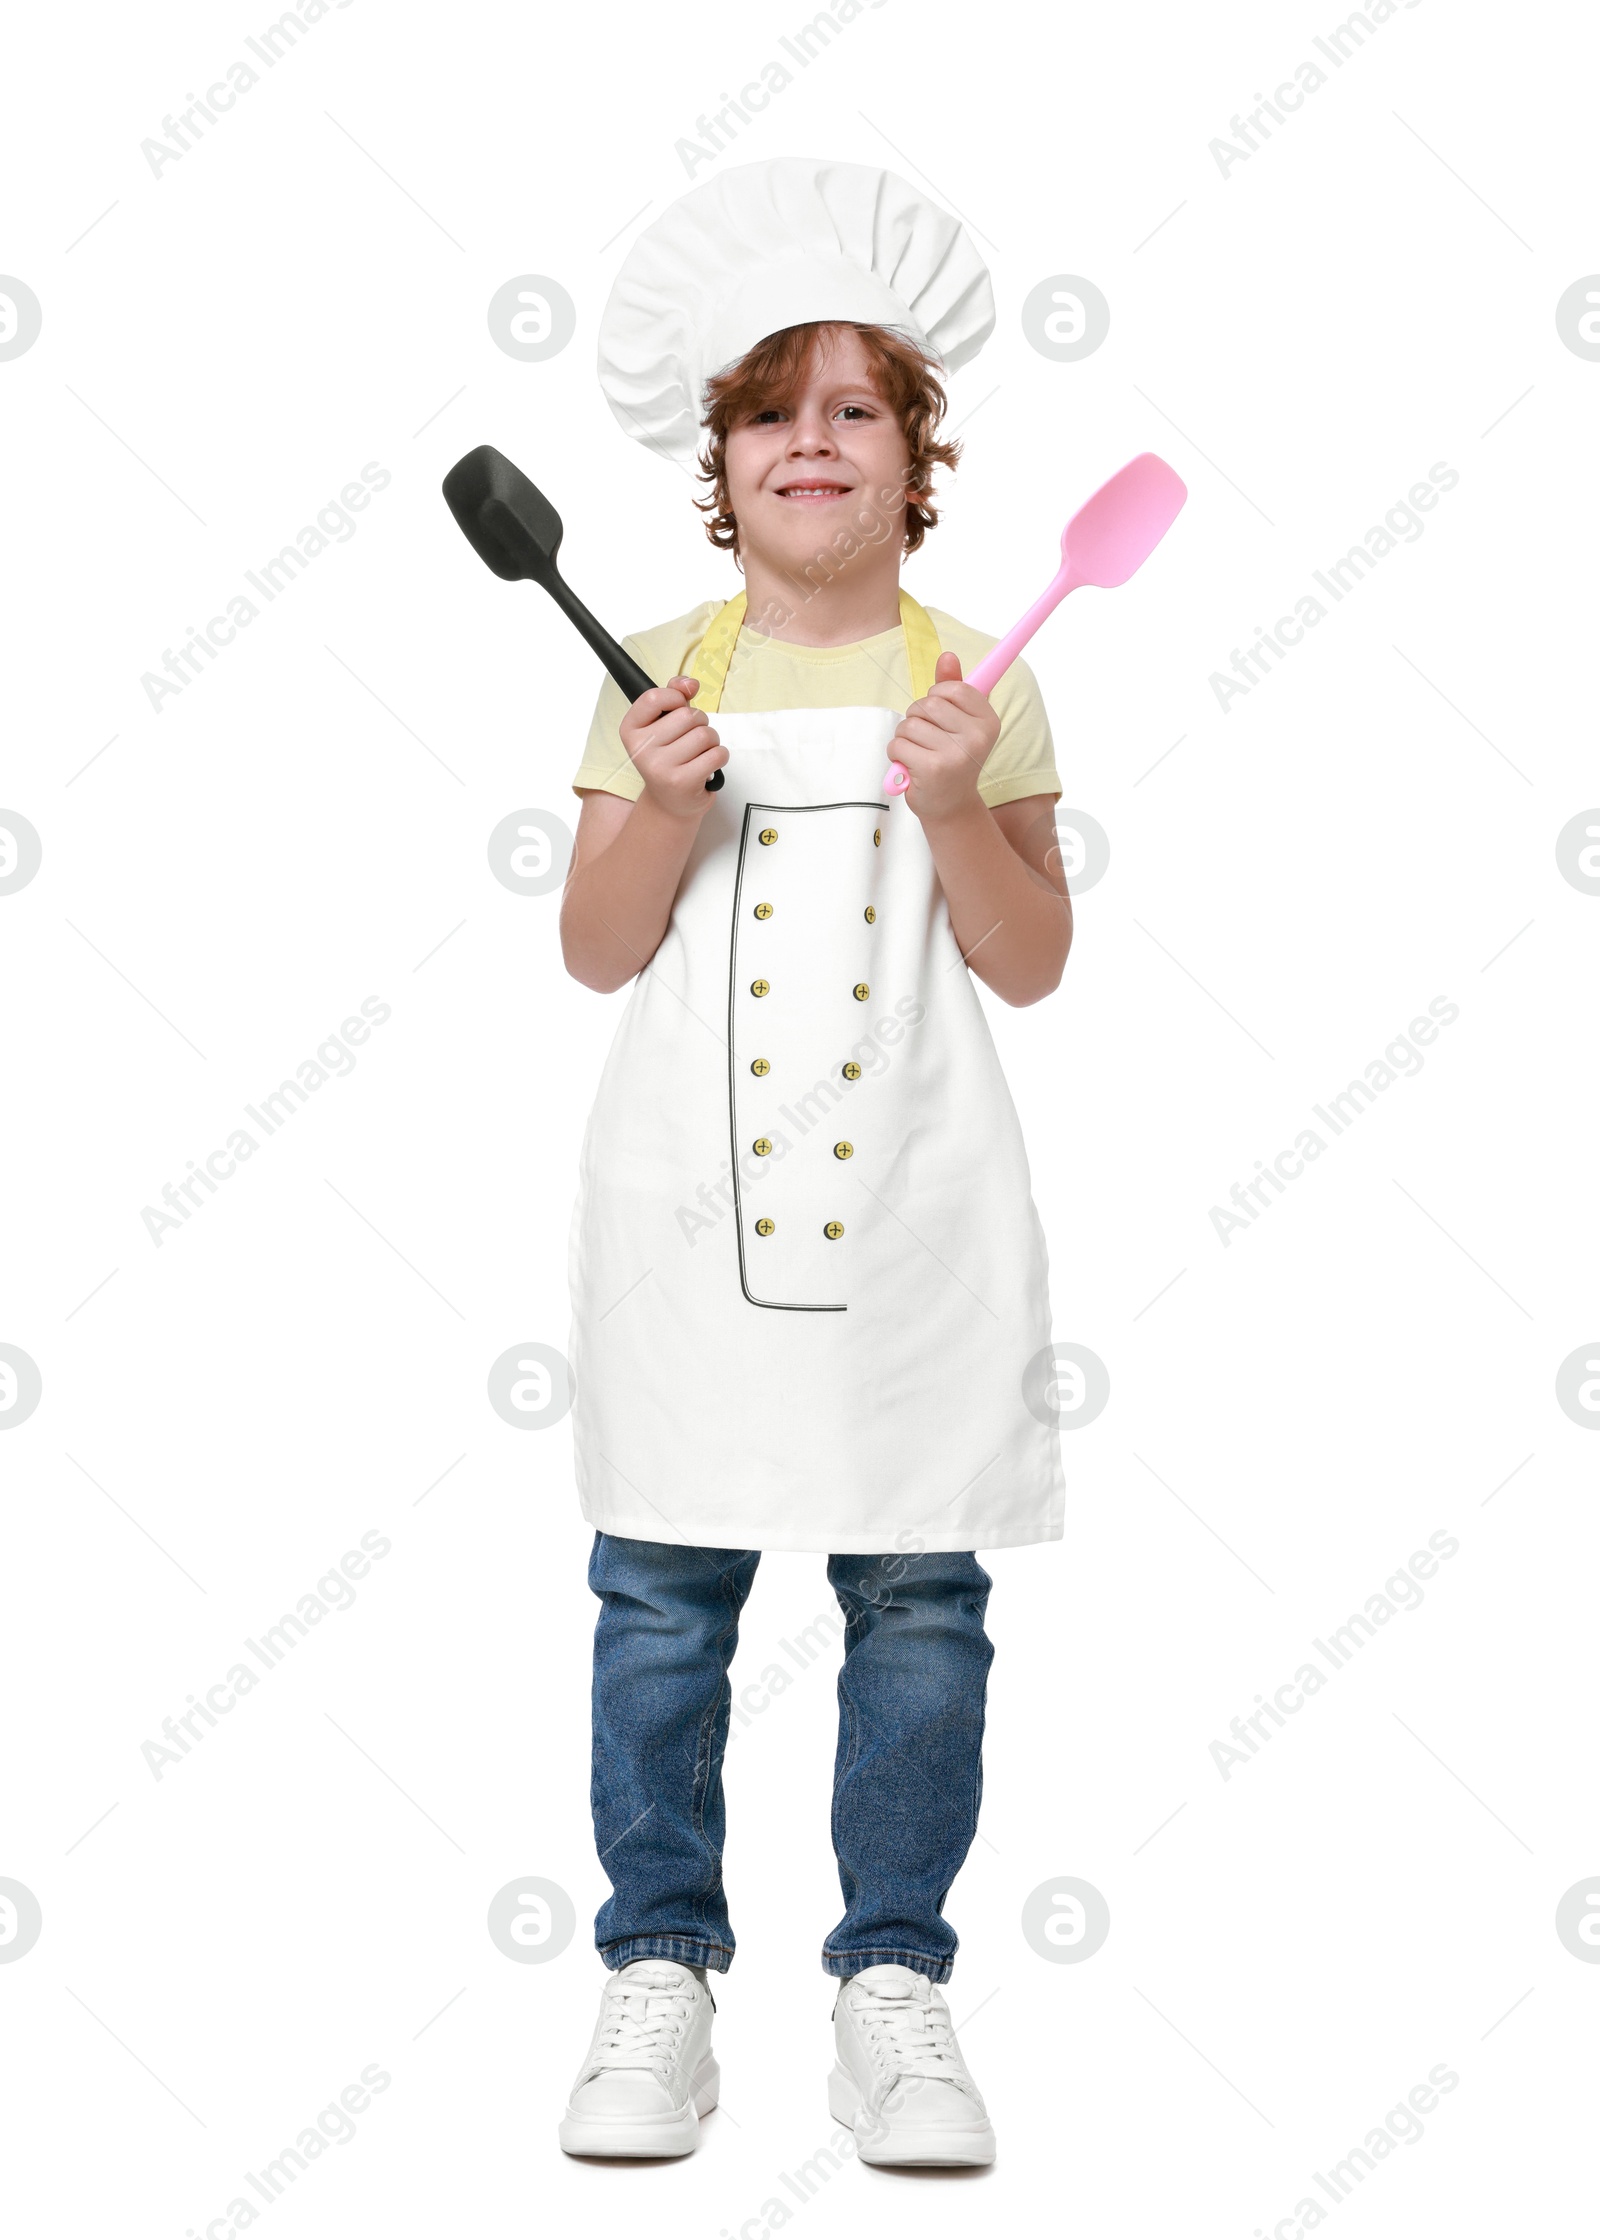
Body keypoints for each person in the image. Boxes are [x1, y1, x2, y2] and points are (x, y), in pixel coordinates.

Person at [555, 158, 1071, 2168]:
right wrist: (658, 804)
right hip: (681, 1213)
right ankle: (658, 1969)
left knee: (916, 1590)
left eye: (855, 405)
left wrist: (958, 808)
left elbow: (1027, 961)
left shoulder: (983, 673)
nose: (811, 440)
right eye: (774, 408)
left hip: (913, 1217)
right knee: (659, 1592)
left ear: (913, 448)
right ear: (721, 455)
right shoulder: (653, 672)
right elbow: (595, 948)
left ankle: (891, 1986)